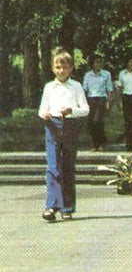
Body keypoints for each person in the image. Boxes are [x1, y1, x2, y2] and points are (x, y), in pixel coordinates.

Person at [38, 50, 89, 221]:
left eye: (65, 67)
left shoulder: (76, 86)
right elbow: (42, 109)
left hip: (69, 125)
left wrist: (71, 110)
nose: (61, 71)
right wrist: (45, 115)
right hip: (52, 125)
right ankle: (51, 206)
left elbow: (85, 109)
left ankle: (67, 207)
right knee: (53, 166)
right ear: (53, 68)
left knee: (67, 165)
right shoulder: (49, 87)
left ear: (71, 69)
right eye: (58, 67)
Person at [81, 54, 114, 151]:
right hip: (91, 99)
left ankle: (102, 142)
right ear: (92, 64)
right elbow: (84, 90)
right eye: (97, 62)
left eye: (100, 62)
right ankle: (95, 144)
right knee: (90, 122)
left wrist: (108, 102)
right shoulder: (88, 75)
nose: (99, 64)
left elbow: (109, 89)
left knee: (97, 121)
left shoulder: (106, 74)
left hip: (101, 99)